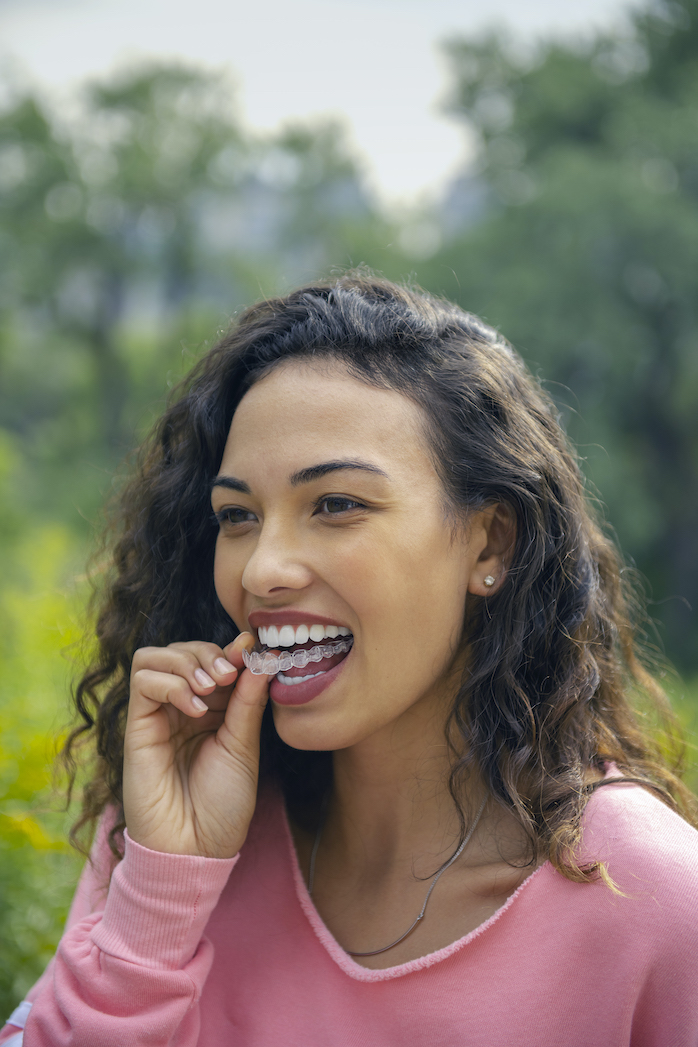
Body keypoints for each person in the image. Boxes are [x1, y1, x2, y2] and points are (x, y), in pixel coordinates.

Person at [3, 274, 698, 1047]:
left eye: (336, 504)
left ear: (489, 542)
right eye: (238, 515)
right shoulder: (169, 835)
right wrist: (164, 887)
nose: (263, 568)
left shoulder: (657, 901)